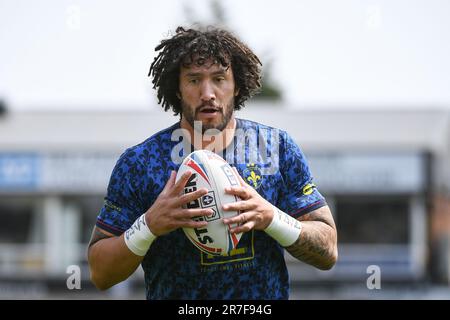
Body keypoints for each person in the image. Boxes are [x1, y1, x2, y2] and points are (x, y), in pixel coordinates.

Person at [87, 26, 338, 300]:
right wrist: (148, 226)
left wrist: (270, 217)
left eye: (219, 78)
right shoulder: (140, 163)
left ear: (237, 85)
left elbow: (328, 252)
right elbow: (100, 273)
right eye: (194, 80)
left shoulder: (276, 149)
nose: (208, 93)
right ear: (178, 89)